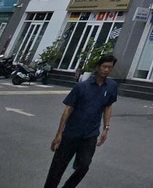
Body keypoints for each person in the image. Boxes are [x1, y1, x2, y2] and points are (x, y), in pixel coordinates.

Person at [43, 54, 118, 188]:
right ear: (98, 67)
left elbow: (108, 106)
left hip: (90, 135)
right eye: (104, 66)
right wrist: (59, 134)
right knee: (57, 169)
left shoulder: (112, 86)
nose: (107, 70)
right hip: (71, 133)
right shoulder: (82, 87)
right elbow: (67, 110)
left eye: (110, 67)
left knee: (84, 166)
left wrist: (106, 128)